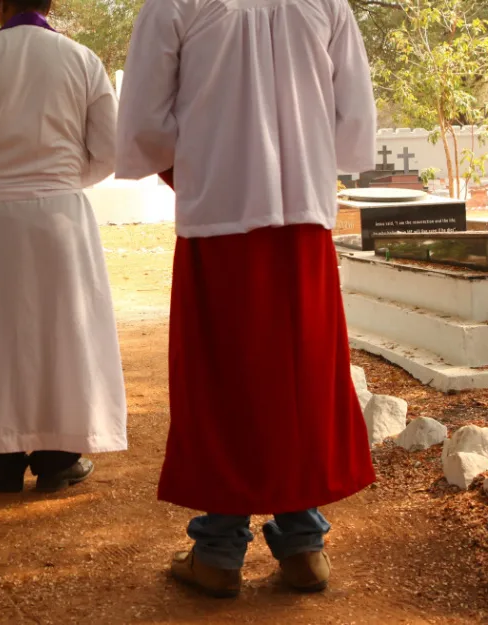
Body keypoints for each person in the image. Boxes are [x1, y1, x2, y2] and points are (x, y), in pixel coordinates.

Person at [116, 0, 378, 599]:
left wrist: (207, 163)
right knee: (302, 372)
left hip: (221, 213)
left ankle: (218, 550)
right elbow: (352, 116)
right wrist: (302, 159)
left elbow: (147, 126)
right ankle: (303, 544)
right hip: (303, 216)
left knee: (221, 375)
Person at [0, 0, 128, 493]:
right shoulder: (81, 58)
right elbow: (109, 150)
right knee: (62, 330)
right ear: (50, 4)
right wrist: (57, 181)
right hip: (61, 217)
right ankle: (59, 459)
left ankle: (2, 462)